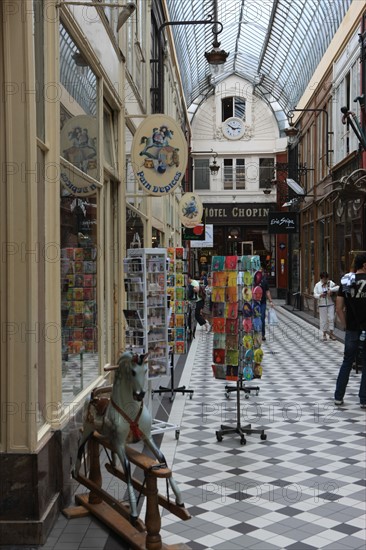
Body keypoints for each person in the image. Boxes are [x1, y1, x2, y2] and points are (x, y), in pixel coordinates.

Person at [334, 252, 366, 408]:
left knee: (347, 361)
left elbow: (338, 308)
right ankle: (364, 399)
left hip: (352, 329)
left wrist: (346, 324)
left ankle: (338, 397)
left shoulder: (346, 281)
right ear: (364, 265)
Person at [313, 271, 339, 341]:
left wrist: (331, 290)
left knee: (331, 318)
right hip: (322, 304)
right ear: (321, 278)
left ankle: (331, 333)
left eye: (326, 278)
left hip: (330, 303)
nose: (325, 280)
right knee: (323, 319)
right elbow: (314, 294)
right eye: (324, 279)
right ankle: (324, 334)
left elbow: (338, 287)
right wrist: (320, 295)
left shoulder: (330, 283)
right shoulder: (317, 285)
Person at [256, 267, 273, 341]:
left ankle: (262, 334)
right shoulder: (254, 280)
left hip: (262, 302)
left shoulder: (264, 281)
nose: (260, 273)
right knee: (256, 318)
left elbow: (267, 291)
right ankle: (256, 334)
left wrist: (271, 301)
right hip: (255, 302)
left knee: (262, 318)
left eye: (261, 271)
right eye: (258, 271)